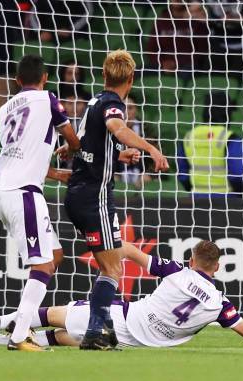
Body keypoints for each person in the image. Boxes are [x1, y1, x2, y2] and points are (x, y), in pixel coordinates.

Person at [0, 241, 243, 349]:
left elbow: (129, 250)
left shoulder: (177, 270)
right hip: (132, 344)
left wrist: (106, 244)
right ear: (217, 268)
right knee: (58, 338)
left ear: (192, 260)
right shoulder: (220, 303)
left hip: (121, 317)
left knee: (52, 314)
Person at [63, 50, 169, 351]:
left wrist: (118, 155)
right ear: (131, 78)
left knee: (110, 265)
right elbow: (116, 128)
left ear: (104, 74)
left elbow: (90, 145)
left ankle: (103, 328)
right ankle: (96, 331)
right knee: (112, 269)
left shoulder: (95, 101)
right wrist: (152, 149)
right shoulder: (112, 104)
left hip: (81, 194)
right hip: (93, 196)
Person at [0, 55, 81, 351]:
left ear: (17, 81)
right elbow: (70, 136)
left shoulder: (4, 110)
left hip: (6, 191)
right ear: (46, 77)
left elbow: (22, 154)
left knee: (53, 255)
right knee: (41, 265)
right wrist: (73, 148)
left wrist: (54, 174)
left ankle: (8, 323)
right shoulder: (48, 98)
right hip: (25, 194)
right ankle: (19, 336)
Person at [177, 91, 243, 194]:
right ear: (228, 112)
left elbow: (182, 175)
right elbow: (241, 176)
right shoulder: (229, 138)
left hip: (196, 201)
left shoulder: (188, 137)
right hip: (227, 201)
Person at [146, 1, 208, 78]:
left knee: (187, 73)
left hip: (187, 66)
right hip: (162, 65)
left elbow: (202, 50)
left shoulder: (197, 21)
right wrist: (163, 63)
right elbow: (152, 49)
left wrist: (177, 63)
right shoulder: (161, 21)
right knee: (138, 72)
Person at [205, 0, 243, 82]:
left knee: (237, 81)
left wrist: (232, 19)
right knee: (215, 80)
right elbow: (194, 10)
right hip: (218, 44)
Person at [115, 96, 152, 188]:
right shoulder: (108, 130)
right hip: (116, 174)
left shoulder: (146, 129)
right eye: (123, 108)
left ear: (136, 110)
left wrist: (150, 174)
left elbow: (156, 152)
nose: (126, 111)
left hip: (142, 175)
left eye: (130, 108)